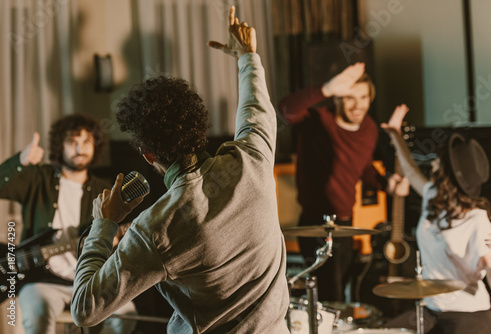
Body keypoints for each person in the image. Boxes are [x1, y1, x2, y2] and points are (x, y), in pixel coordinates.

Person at [71, 6, 290, 333]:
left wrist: (103, 224)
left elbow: (84, 311)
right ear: (199, 128)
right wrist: (248, 56)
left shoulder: (157, 228)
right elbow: (256, 107)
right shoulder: (252, 160)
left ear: (147, 155)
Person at [278, 63, 409, 302]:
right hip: (314, 224)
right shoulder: (317, 121)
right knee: (328, 296)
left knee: (342, 295)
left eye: (363, 97)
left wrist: (385, 183)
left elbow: (363, 166)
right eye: (349, 97)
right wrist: (325, 89)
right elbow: (285, 109)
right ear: (337, 98)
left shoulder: (369, 128)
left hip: (347, 224)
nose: (357, 105)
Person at [0, 114, 137, 334]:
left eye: (86, 142)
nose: (79, 148)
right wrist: (21, 162)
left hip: (90, 281)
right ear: (60, 146)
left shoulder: (106, 189)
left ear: (95, 146)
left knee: (127, 317)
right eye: (72, 142)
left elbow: (116, 247)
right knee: (37, 317)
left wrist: (112, 241)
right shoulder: (39, 178)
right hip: (40, 282)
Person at [382, 105, 491, 334]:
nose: (433, 163)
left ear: (446, 173)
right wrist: (395, 133)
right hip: (432, 309)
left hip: (469, 316)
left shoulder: (476, 220)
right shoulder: (432, 196)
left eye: (438, 161)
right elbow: (410, 168)